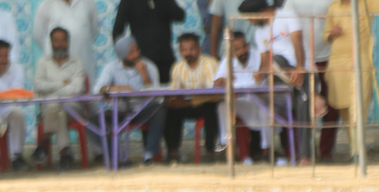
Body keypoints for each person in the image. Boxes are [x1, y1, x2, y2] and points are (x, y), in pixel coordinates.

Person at [239, 0, 306, 165]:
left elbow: (298, 43)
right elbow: (264, 62)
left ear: (262, 12)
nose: (250, 22)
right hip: (277, 76)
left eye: (251, 18)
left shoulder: (287, 15)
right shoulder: (259, 32)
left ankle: (305, 156)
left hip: (296, 69)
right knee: (273, 108)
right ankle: (280, 152)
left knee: (303, 110)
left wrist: (300, 68)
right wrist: (259, 74)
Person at [284, 0, 338, 160]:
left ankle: (325, 152)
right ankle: (299, 151)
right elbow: (286, 23)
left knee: (330, 106)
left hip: (327, 57)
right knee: (299, 105)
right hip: (301, 61)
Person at [323, 0, 378, 160]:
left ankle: (359, 152)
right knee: (344, 108)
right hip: (337, 62)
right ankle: (354, 150)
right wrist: (332, 33)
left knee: (360, 105)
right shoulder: (333, 6)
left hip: (360, 61)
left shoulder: (368, 0)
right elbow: (325, 36)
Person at [112, 0, 186, 84]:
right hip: (141, 59)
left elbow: (180, 17)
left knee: (167, 92)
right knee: (144, 92)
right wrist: (126, 56)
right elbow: (118, 30)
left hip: (165, 58)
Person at [95, 35, 166, 166]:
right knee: (93, 120)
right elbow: (98, 89)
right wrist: (118, 88)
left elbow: (157, 96)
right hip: (120, 112)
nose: (136, 54)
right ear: (122, 55)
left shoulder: (149, 66)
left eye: (137, 50)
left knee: (160, 110)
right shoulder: (111, 67)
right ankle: (117, 158)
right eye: (131, 53)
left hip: (143, 111)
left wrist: (144, 75)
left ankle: (149, 155)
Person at [33, 0, 99, 86]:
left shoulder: (87, 2)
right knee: (57, 93)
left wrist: (79, 40)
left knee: (84, 91)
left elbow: (94, 31)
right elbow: (38, 35)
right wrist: (57, 47)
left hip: (83, 58)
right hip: (57, 65)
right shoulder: (46, 5)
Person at [32, 27, 87, 171]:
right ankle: (64, 154)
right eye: (56, 41)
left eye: (63, 40)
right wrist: (63, 84)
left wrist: (52, 89)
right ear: (51, 43)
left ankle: (44, 142)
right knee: (57, 109)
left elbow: (77, 88)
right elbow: (38, 85)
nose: (60, 44)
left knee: (54, 103)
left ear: (68, 42)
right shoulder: (43, 62)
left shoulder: (77, 63)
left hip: (73, 107)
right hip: (51, 108)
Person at [213, 31, 269, 164]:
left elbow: (265, 78)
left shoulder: (258, 56)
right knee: (222, 106)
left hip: (261, 102)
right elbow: (216, 83)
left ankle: (267, 152)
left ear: (248, 45)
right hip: (244, 104)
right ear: (232, 51)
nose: (242, 51)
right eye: (237, 49)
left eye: (244, 46)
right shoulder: (227, 61)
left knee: (266, 112)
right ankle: (227, 146)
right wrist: (221, 81)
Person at [163, 33, 219, 163]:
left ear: (199, 49)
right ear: (180, 51)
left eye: (192, 49)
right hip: (189, 104)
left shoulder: (209, 63)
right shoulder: (177, 67)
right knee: (168, 111)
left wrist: (186, 102)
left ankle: (210, 152)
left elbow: (213, 93)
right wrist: (172, 101)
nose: (188, 53)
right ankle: (173, 153)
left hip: (207, 103)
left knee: (211, 109)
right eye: (184, 50)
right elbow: (174, 91)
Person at [0, 40, 29, 169]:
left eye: (6, 56)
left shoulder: (16, 69)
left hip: (7, 108)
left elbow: (13, 97)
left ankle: (17, 155)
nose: (3, 60)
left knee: (17, 113)